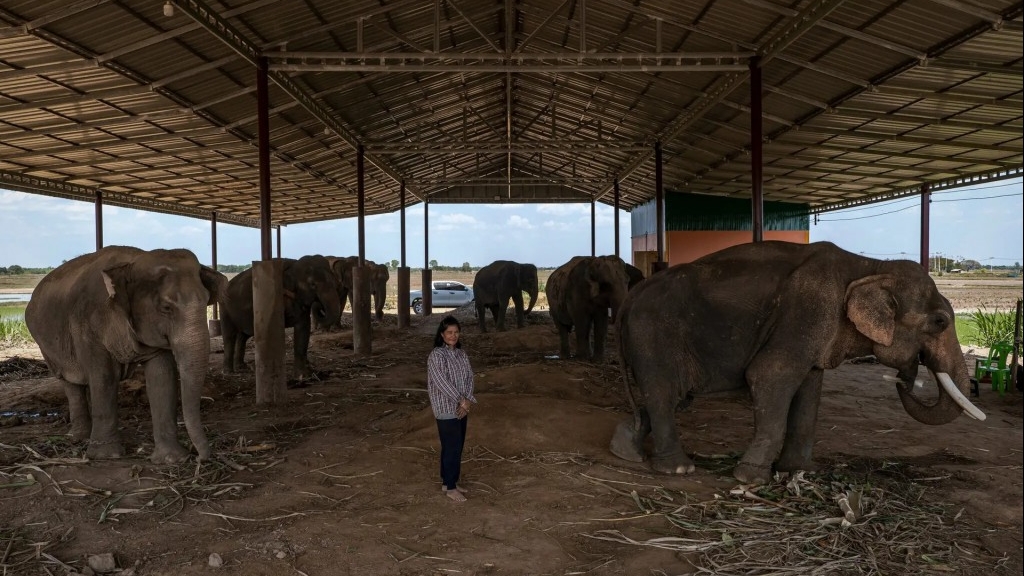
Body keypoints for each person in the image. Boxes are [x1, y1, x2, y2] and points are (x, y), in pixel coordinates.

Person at [427, 315, 477, 502]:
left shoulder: (461, 354)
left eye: (456, 332)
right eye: (449, 332)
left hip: (462, 407)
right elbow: (441, 382)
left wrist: (467, 400)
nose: (453, 336)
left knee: (456, 446)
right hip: (446, 407)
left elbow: (470, 377)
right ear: (442, 334)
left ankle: (448, 481)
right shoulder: (436, 355)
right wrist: (460, 400)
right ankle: (450, 487)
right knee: (452, 448)